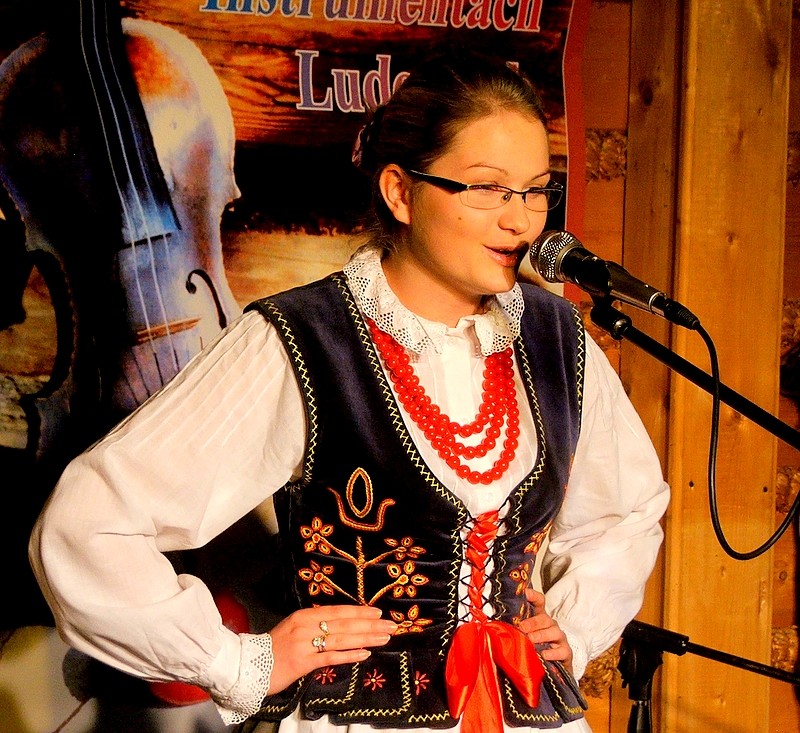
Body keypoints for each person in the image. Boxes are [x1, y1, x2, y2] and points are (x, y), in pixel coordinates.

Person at [29, 48, 670, 733]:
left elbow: (625, 513)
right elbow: (88, 523)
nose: (521, 220)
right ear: (400, 192)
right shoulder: (307, 339)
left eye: (536, 190)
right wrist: (238, 662)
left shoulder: (555, 338)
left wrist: (575, 621)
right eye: (487, 188)